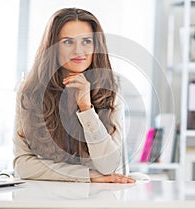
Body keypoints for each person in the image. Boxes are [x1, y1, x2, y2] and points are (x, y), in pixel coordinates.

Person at [13, 7, 135, 183]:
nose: (79, 51)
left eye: (86, 41)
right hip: (48, 195)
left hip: (103, 196)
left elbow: (108, 167)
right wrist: (88, 176)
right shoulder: (29, 90)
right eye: (68, 42)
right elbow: (23, 165)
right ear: (53, 47)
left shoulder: (112, 90)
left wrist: (86, 109)